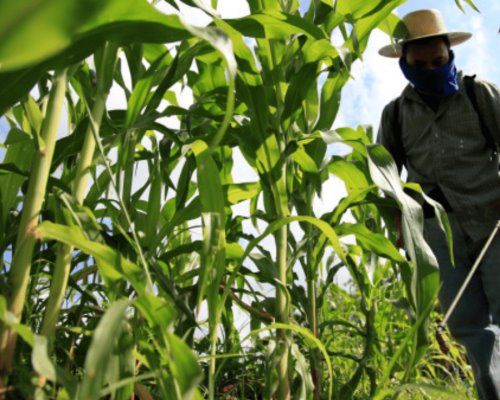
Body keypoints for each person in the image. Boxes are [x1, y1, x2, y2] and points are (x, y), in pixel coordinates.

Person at [377, 9, 500, 400]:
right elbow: (384, 178)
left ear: (450, 53)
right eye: (421, 65)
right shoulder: (395, 115)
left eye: (438, 61)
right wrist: (399, 229)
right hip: (437, 235)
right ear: (405, 64)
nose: (431, 69)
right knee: (470, 330)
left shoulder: (481, 94)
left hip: (494, 219)